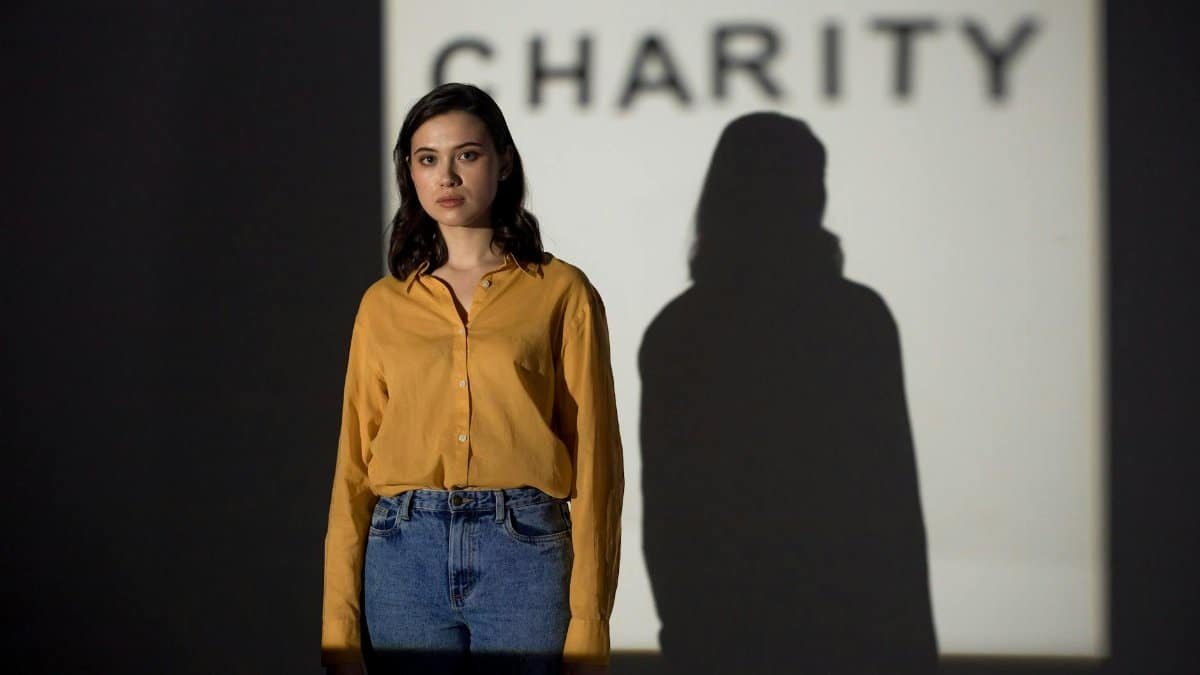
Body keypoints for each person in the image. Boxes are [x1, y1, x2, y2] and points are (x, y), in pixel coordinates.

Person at [321, 82, 624, 675]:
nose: (447, 176)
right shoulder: (383, 305)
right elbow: (353, 467)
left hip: (525, 553)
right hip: (402, 555)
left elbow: (596, 463)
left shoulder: (561, 293)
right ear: (410, 173)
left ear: (503, 162)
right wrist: (339, 628)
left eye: (467, 154)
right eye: (427, 159)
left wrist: (590, 626)